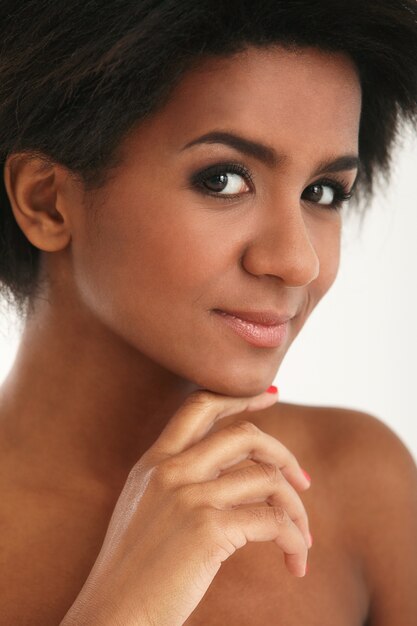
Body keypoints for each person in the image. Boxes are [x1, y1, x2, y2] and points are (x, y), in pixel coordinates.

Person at [0, 1, 416, 624]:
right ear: (48, 202)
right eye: (224, 179)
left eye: (322, 193)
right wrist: (125, 607)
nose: (296, 261)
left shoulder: (362, 485)